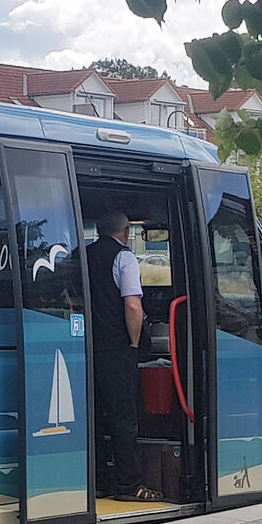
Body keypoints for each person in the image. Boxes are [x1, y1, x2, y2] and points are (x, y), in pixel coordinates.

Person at [87, 211, 162, 502]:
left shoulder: (82, 255)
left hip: (85, 349)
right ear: (127, 232)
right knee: (123, 420)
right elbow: (133, 306)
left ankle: (98, 481)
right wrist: (134, 344)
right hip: (116, 350)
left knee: (93, 418)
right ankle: (130, 485)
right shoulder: (125, 257)